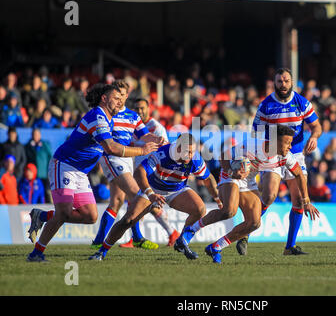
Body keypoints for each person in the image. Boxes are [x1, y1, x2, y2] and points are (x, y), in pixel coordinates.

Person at [26, 83, 160, 262]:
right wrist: (142, 151)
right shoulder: (98, 116)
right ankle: (36, 253)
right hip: (64, 165)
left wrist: (155, 142)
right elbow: (111, 147)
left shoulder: (109, 119)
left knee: (90, 216)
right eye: (116, 98)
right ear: (104, 98)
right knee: (64, 212)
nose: (120, 102)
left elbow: (121, 144)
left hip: (81, 172)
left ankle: (41, 215)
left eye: (122, 99)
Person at [188, 125, 320, 263]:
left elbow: (299, 174)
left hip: (248, 180)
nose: (290, 146)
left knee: (255, 223)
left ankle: (216, 247)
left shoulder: (286, 157)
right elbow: (224, 155)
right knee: (228, 211)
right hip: (231, 175)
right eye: (287, 142)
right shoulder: (253, 145)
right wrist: (231, 172)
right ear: (275, 141)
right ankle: (192, 230)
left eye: (291, 143)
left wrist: (306, 201)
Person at [88, 133, 222, 261]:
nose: (191, 155)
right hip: (154, 189)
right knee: (128, 220)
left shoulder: (195, 158)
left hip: (177, 190)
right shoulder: (164, 153)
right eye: (188, 151)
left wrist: (217, 198)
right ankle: (102, 251)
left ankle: (182, 241)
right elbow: (139, 172)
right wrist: (150, 194)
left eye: (193, 151)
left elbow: (208, 179)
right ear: (179, 148)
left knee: (200, 209)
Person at [244, 67, 322, 256]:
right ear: (274, 83)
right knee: (269, 195)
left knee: (297, 200)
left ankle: (289, 247)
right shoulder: (266, 105)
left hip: (295, 154)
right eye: (279, 81)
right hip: (272, 155)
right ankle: (245, 232)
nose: (283, 84)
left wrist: (315, 137)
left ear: (292, 82)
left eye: (286, 81)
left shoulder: (301, 102)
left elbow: (317, 126)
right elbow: (257, 132)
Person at [91, 81, 175, 251]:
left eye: (122, 95)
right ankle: (137, 238)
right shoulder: (108, 114)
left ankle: (98, 241)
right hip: (112, 157)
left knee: (116, 201)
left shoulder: (133, 116)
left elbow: (145, 135)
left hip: (127, 158)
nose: (120, 98)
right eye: (117, 95)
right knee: (137, 194)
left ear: (127, 96)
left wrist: (158, 141)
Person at [24, 128, 52, 202]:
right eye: (34, 134)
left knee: (46, 192)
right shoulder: (28, 146)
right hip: (32, 176)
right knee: (33, 193)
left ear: (40, 135)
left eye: (37, 134)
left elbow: (50, 158)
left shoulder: (45, 145)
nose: (36, 136)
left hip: (43, 175)